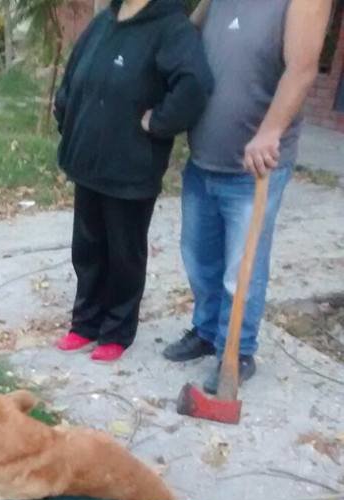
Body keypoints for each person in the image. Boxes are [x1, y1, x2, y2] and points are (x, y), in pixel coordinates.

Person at [163, 0, 332, 394]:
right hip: (205, 157)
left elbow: (303, 69)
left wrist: (271, 130)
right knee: (199, 258)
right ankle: (206, 332)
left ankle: (237, 350)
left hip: (254, 168)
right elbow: (184, 35)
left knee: (241, 271)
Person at [53, 0, 212, 364]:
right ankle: (85, 322)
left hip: (131, 168)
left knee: (124, 254)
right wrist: (67, 112)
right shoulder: (104, 22)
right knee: (88, 249)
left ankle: (116, 331)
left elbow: (195, 85)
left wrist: (160, 122)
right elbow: (74, 74)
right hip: (88, 162)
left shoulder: (172, 28)